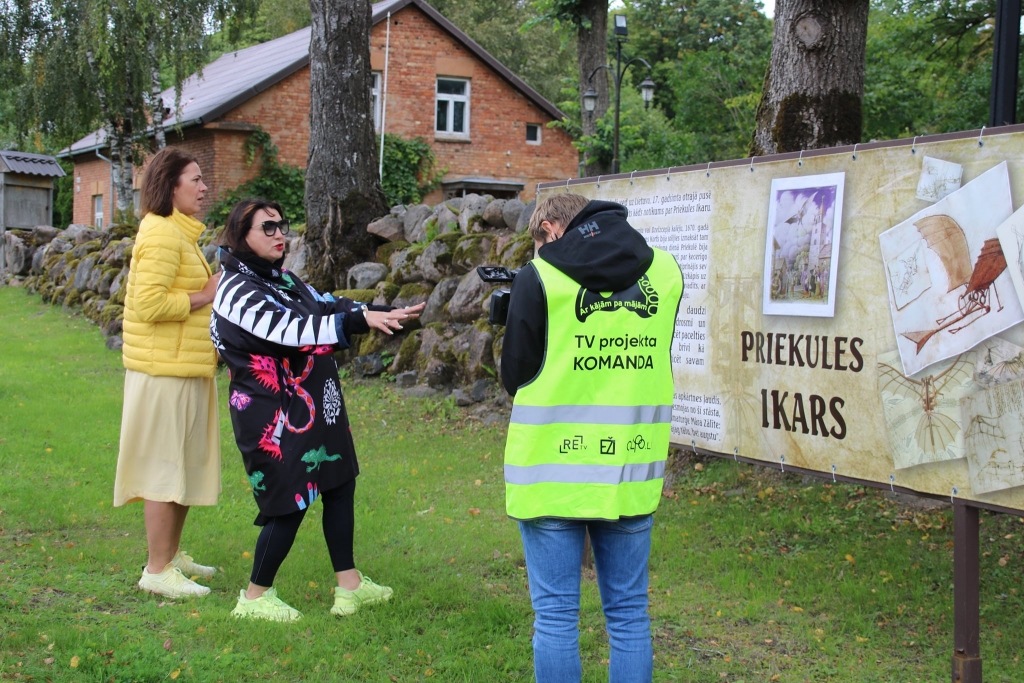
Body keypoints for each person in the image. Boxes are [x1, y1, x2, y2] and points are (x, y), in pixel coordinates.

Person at [211, 198, 425, 622]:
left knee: (339, 483)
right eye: (267, 227)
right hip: (273, 416)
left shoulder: (283, 279)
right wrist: (358, 324)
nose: (279, 234)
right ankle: (254, 598)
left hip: (317, 404)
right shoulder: (234, 290)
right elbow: (291, 331)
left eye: (281, 225)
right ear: (241, 235)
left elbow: (326, 305)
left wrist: (376, 311)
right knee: (287, 502)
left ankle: (349, 587)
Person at [501, 194, 683, 682]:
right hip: (629, 470)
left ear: (552, 227)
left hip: (551, 473)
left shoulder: (539, 276)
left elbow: (515, 375)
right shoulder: (665, 273)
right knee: (628, 616)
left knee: (557, 617)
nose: (538, 249)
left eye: (539, 239)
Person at [114, 146, 222, 598]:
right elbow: (149, 304)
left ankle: (171, 556)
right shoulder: (159, 233)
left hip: (185, 367)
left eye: (202, 179)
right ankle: (157, 571)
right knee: (164, 468)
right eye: (194, 179)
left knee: (181, 467)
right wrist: (206, 293)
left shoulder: (180, 235)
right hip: (164, 373)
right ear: (170, 186)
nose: (203, 187)